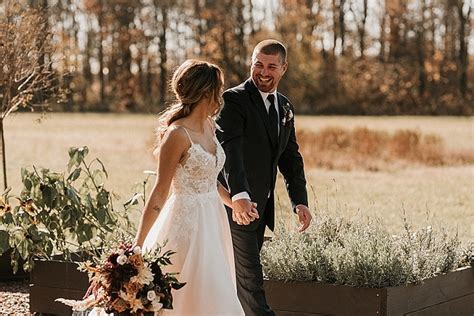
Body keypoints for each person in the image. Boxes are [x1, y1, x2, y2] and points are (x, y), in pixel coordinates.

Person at [134, 59, 256, 315]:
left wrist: (233, 202)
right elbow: (159, 192)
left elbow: (210, 181)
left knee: (215, 292)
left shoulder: (210, 126)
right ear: (205, 91)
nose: (220, 94)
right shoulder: (177, 135)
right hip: (186, 225)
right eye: (218, 88)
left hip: (213, 220)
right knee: (186, 293)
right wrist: (138, 245)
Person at [216, 39, 313, 315]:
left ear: (284, 68)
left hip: (261, 206)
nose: (263, 71)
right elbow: (230, 150)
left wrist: (299, 201)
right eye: (258, 64)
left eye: (271, 66)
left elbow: (290, 157)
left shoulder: (284, 107)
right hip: (236, 205)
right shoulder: (233, 100)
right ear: (251, 63)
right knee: (250, 280)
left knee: (239, 277)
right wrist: (240, 196)